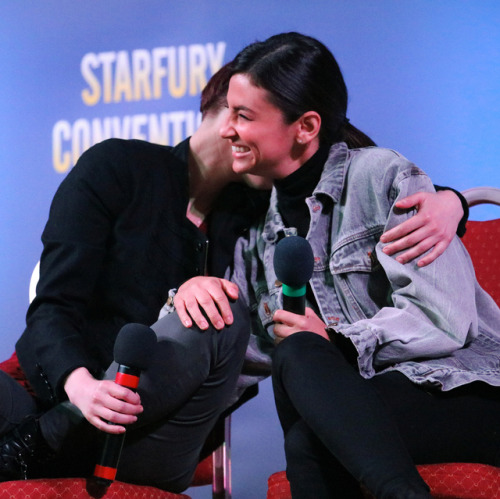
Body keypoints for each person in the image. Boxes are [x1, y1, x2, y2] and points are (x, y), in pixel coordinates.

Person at [0, 61, 466, 491]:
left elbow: (358, 175)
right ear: (229, 111)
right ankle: (49, 437)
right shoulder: (117, 167)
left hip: (148, 436)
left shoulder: (256, 218)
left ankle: (51, 439)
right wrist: (81, 388)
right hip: (57, 401)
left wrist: (455, 201)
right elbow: (52, 306)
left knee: (220, 316)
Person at [173, 33, 500, 498]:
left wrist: (340, 344)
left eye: (243, 115)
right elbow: (238, 359)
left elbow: (442, 319)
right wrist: (177, 308)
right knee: (296, 357)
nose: (226, 129)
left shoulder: (383, 176)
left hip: (462, 388)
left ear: (306, 126)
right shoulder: (257, 233)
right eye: (228, 111)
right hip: (360, 404)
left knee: (314, 423)